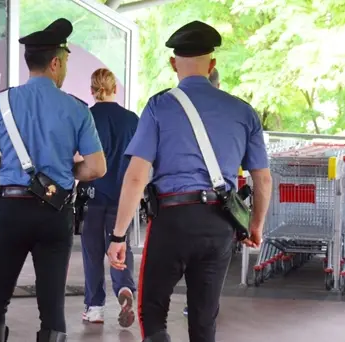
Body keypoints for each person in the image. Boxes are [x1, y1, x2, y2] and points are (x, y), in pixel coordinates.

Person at [106, 20, 272, 342]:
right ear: (212, 65)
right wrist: (255, 225)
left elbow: (137, 176)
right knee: (204, 315)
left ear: (172, 64)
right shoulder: (243, 111)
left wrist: (118, 235)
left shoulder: (159, 106)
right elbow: (262, 179)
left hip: (173, 219)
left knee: (152, 310)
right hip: (221, 224)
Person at [0, 18, 107, 342]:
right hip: (54, 211)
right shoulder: (77, 109)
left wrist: (13, 169)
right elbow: (96, 168)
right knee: (52, 305)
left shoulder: (0, 103)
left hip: (10, 210)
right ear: (55, 62)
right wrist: (61, 173)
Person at [80, 68, 138, 327]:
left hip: (92, 195)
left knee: (92, 252)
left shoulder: (86, 117)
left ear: (92, 91)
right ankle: (125, 290)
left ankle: (94, 308)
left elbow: (77, 156)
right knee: (119, 244)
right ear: (116, 88)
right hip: (123, 196)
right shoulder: (132, 120)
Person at [184, 66, 220, 317]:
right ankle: (202, 306)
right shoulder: (236, 111)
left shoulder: (167, 106)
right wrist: (256, 225)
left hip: (179, 205)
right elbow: (262, 177)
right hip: (219, 209)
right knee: (210, 274)